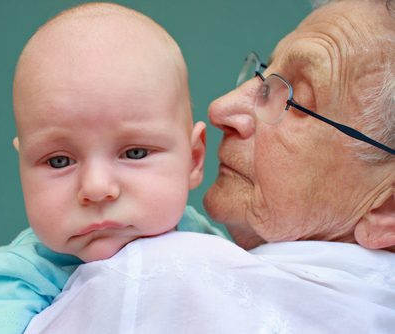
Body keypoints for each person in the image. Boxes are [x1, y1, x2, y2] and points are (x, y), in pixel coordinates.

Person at [22, 0, 395, 332]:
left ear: (387, 207)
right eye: (263, 78)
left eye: (292, 100)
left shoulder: (145, 282)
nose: (221, 109)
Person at [0, 2, 226, 333]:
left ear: (193, 159)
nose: (95, 187)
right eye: (59, 161)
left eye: (134, 153)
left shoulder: (213, 245)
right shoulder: (18, 280)